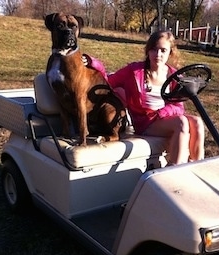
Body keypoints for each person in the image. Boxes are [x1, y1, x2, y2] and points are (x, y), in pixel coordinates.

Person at [87, 30, 205, 165]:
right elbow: (108, 81)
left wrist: (162, 113)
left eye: (163, 50)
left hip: (163, 118)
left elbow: (179, 106)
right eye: (154, 50)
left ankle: (196, 164)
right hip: (145, 122)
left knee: (197, 122)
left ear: (170, 53)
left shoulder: (174, 76)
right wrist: (95, 63)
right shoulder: (134, 71)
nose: (158, 55)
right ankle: (174, 169)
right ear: (148, 51)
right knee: (181, 123)